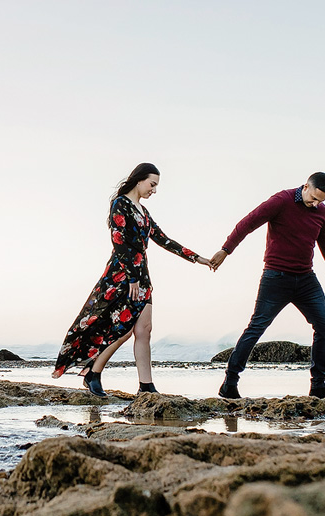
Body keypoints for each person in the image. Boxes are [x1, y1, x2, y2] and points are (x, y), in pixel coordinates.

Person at [52, 163, 208, 396]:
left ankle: (146, 386)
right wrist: (132, 278)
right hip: (122, 275)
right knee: (123, 329)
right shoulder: (120, 205)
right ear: (139, 180)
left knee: (144, 329)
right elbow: (119, 241)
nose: (153, 190)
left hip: (141, 276)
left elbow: (163, 239)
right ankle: (93, 371)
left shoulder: (143, 212)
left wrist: (198, 258)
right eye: (152, 184)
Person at [208, 172, 325, 399]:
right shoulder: (282, 201)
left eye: (320, 201)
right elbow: (248, 222)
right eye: (313, 198)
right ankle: (229, 383)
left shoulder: (321, 212)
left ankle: (318, 386)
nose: (315, 204)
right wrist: (226, 249)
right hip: (276, 278)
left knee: (324, 325)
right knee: (256, 327)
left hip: (306, 279)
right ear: (305, 186)